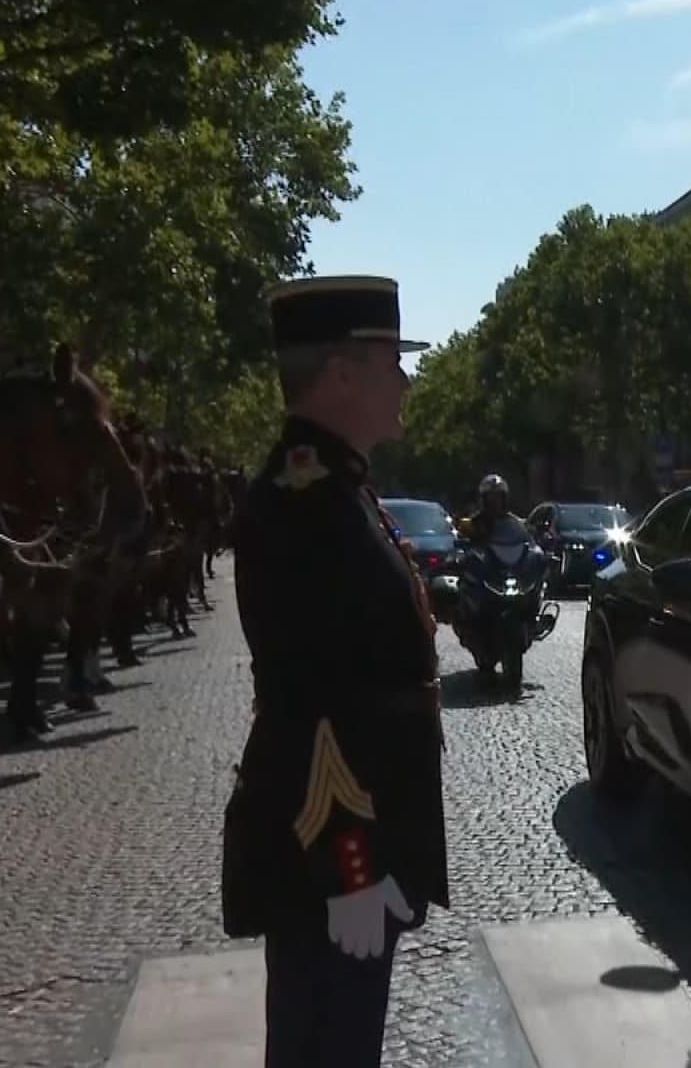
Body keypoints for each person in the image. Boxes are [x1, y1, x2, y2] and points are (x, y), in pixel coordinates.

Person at [221, 274, 445, 1067]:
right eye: (394, 362)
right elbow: (309, 704)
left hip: (348, 853)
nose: (407, 381)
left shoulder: (333, 488)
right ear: (343, 374)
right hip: (333, 861)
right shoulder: (303, 503)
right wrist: (351, 866)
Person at [455, 473, 523, 545]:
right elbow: (463, 537)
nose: (495, 501)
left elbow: (524, 534)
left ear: (504, 499)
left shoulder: (512, 520)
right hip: (484, 555)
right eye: (491, 497)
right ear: (483, 499)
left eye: (499, 497)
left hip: (509, 554)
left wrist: (527, 530)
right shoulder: (476, 521)